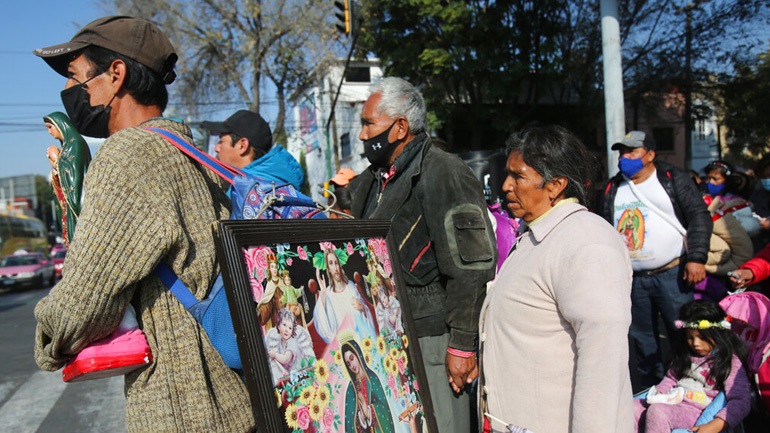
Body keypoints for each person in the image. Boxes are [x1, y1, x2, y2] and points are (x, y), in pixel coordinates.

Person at [31, 16, 253, 432]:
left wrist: (49, 338)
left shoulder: (128, 156)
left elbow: (83, 304)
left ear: (116, 75)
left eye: (76, 77)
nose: (68, 92)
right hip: (240, 396)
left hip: (188, 411)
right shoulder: (187, 149)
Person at [348, 77, 496, 433]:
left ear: (400, 127)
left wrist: (461, 345)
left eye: (369, 123)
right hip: (388, 337)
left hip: (433, 338)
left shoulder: (443, 171)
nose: (362, 135)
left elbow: (472, 265)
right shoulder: (371, 182)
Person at [479, 124, 633, 433]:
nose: (506, 185)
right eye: (508, 174)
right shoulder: (536, 235)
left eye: (518, 176)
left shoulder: (586, 242)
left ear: (555, 185)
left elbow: (602, 367)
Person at [600, 130, 712, 390]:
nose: (624, 157)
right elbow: (605, 227)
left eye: (631, 152)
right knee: (641, 340)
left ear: (650, 155)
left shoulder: (673, 179)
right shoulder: (612, 186)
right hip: (632, 279)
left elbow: (698, 216)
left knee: (682, 335)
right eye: (621, 152)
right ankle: (652, 393)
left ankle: (688, 389)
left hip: (672, 276)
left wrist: (696, 257)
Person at [634, 300, 751, 433]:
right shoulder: (686, 354)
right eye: (690, 337)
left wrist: (715, 425)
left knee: (657, 412)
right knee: (633, 408)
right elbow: (671, 378)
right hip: (674, 400)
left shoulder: (729, 361)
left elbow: (741, 401)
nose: (695, 343)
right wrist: (659, 393)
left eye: (702, 337)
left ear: (717, 333)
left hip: (697, 410)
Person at [203, 109, 304, 190]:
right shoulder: (279, 185)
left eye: (221, 142)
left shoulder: (243, 193)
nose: (216, 148)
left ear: (242, 146)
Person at [43, 112, 92, 246]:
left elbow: (74, 173)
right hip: (68, 208)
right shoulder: (66, 147)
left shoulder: (76, 144)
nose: (49, 132)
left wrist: (56, 159)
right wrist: (55, 167)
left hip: (77, 201)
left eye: (50, 127)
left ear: (60, 125)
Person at [313, 247, 376, 343]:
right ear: (328, 269)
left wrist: (362, 307)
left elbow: (365, 313)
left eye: (336, 263)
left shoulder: (350, 286)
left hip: (361, 339)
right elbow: (324, 329)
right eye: (331, 263)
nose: (335, 267)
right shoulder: (328, 294)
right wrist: (323, 294)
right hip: (344, 344)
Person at [342, 339, 396, 433]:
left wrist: (367, 411)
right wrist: (361, 417)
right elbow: (350, 423)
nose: (352, 365)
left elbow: (384, 410)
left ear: (358, 355)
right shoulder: (351, 389)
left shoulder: (372, 378)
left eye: (352, 358)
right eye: (348, 363)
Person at [702, 160, 759, 236]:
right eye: (708, 178)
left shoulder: (736, 202)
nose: (710, 182)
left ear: (728, 180)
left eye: (715, 179)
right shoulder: (705, 198)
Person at [265, 307, 314, 383]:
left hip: (300, 373)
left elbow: (286, 359)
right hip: (290, 374)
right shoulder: (279, 341)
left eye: (290, 328)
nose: (287, 330)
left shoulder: (292, 343)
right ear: (278, 326)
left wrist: (275, 355)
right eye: (284, 325)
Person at [258, 253, 285, 329]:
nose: (275, 269)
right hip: (274, 314)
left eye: (276, 267)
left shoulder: (281, 281)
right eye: (272, 267)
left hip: (284, 311)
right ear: (269, 269)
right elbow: (267, 298)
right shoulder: (269, 284)